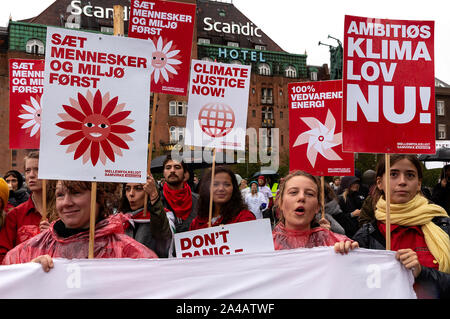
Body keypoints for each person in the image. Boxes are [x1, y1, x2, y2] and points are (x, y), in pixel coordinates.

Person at [3, 180, 158, 271]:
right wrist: (28, 273)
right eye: (60, 195)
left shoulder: (130, 254)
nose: (66, 203)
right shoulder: (28, 252)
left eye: (76, 193)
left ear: (99, 197)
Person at [353, 154, 450, 299]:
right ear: (380, 182)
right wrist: (343, 253)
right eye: (393, 174)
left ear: (418, 184)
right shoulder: (365, 236)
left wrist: (421, 272)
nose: (402, 182)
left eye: (410, 175)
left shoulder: (442, 225)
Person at [272, 170, 358, 254]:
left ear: (317, 207)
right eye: (293, 192)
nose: (301, 197)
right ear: (281, 203)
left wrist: (349, 252)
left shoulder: (334, 243)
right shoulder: (263, 245)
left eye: (309, 194)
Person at [0, 151, 54, 263]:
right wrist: (29, 262)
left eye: (37, 169)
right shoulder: (15, 215)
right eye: (28, 170)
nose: (31, 175)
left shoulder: (64, 212)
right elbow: (2, 257)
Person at [118, 175, 173, 258]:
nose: (131, 194)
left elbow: (163, 235)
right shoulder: (119, 219)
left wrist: (154, 198)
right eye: (128, 189)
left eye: (138, 188)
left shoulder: (162, 216)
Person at [189, 166, 256, 230]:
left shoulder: (245, 218)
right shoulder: (196, 223)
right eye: (215, 184)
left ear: (234, 188)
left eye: (227, 184)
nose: (221, 189)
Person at [161, 155, 199, 233]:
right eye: (168, 168)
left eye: (177, 167)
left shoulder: (199, 200)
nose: (172, 171)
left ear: (185, 173)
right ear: (163, 173)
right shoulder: (156, 201)